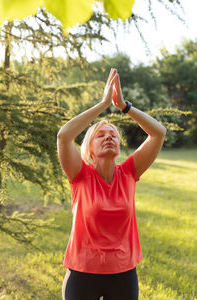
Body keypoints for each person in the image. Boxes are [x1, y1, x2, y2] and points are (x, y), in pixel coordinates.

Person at [57, 68, 166, 300]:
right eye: (100, 135)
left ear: (118, 146)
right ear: (88, 149)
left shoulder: (129, 172)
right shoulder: (79, 174)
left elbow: (158, 133)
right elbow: (64, 136)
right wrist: (102, 104)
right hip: (83, 272)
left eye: (113, 135)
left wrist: (123, 106)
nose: (108, 137)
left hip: (123, 273)